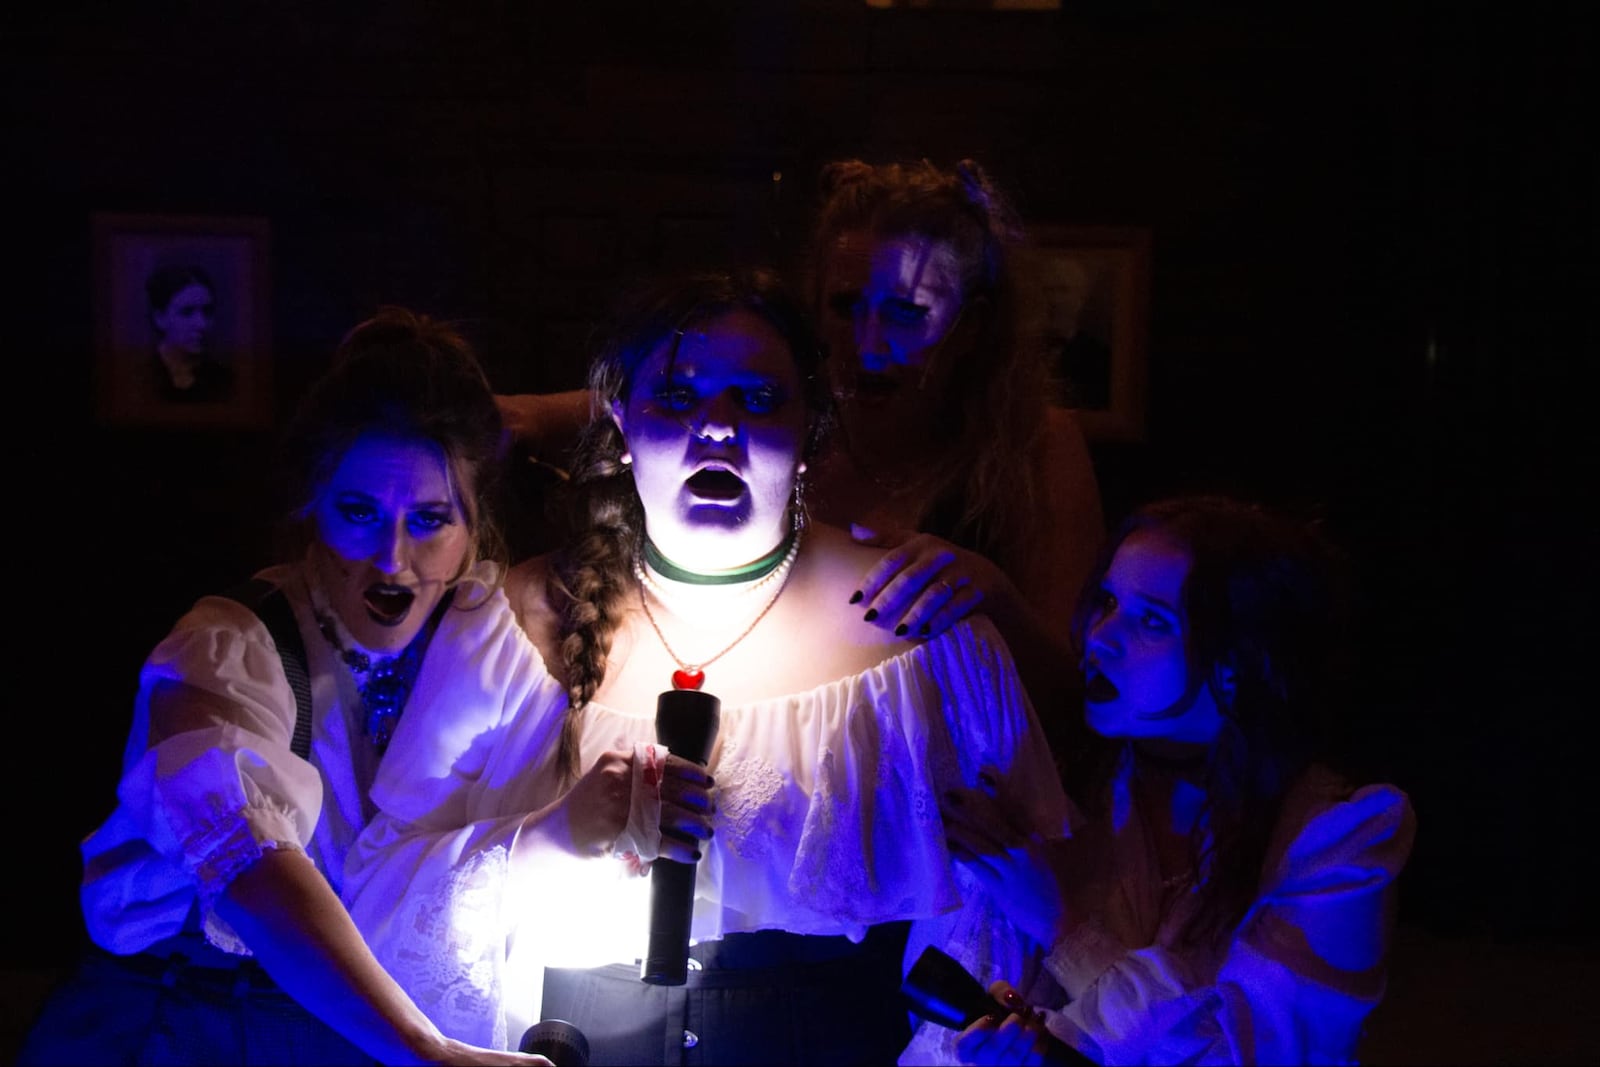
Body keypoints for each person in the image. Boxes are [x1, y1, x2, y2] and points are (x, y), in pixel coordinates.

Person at [344, 268, 1072, 1065]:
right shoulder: (516, 620)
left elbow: (998, 926)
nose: (717, 428)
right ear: (620, 421)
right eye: (679, 397)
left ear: (811, 430)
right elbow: (382, 888)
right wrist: (551, 839)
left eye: (757, 399)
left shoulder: (919, 625)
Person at [17, 308, 546, 1066]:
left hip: (342, 1033)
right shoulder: (228, 644)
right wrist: (425, 1050)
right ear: (313, 508)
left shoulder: (478, 639)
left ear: (472, 524)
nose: (393, 559)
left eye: (430, 519)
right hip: (179, 1019)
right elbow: (250, 866)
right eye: (359, 512)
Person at [494, 157, 1106, 726]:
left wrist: (992, 601)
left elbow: (1085, 698)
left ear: (970, 326)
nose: (865, 341)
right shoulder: (796, 418)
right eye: (845, 305)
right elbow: (684, 395)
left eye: (905, 311)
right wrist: (533, 414)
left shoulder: (1033, 448)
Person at [942, 494, 1418, 1066]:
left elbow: (1248, 1057)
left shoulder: (1339, 839)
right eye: (1108, 602)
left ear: (1240, 662)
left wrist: (1063, 927)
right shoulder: (1063, 788)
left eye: (1152, 621)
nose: (1100, 638)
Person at [146, 263, 234, 403]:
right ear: (160, 318)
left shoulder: (224, 380)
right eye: (187, 312)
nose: (202, 324)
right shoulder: (139, 377)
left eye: (207, 311)